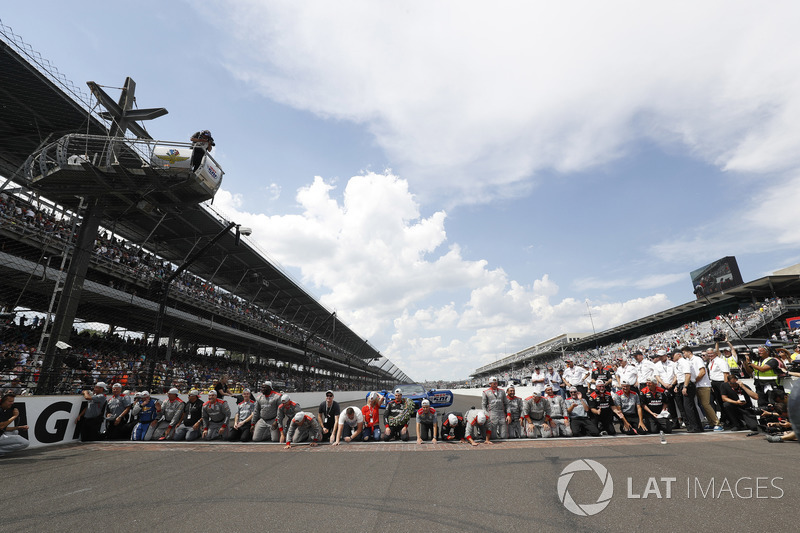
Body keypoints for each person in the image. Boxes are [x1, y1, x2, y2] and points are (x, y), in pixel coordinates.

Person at [677, 347, 703, 433]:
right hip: (685, 384)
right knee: (690, 407)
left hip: (687, 384)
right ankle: (697, 427)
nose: (684, 354)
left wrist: (685, 386)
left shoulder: (684, 362)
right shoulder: (682, 362)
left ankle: (695, 427)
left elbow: (687, 375)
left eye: (684, 352)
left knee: (689, 407)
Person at [696, 349, 722, 430]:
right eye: (703, 355)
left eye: (705, 355)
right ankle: (711, 422)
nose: (704, 356)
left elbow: (725, 373)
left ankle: (717, 422)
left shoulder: (719, 361)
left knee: (707, 404)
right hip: (709, 384)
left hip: (713, 384)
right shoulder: (709, 362)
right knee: (705, 405)